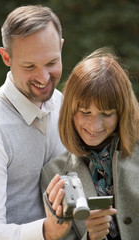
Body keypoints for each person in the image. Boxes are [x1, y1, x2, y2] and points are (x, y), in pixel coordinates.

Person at [0, 5, 70, 240]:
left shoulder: (65, 104)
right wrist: (47, 231)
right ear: (6, 57)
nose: (43, 78)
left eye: (51, 62)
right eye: (29, 66)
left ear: (61, 47)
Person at [41, 47, 139, 240]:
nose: (94, 125)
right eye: (85, 112)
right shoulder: (53, 173)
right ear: (69, 111)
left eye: (106, 114)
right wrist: (91, 237)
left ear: (121, 113)